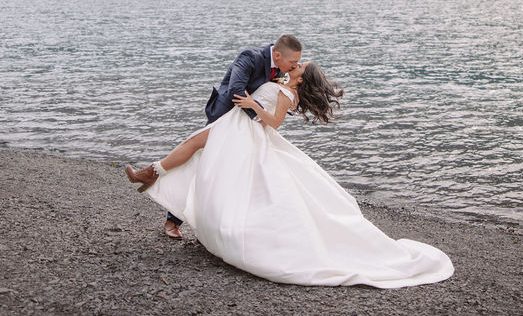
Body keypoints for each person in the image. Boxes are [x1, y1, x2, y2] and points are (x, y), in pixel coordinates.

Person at [124, 59, 455, 288]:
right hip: (237, 128)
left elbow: (275, 122)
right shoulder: (285, 85)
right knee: (197, 147)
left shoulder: (287, 92)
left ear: (300, 77)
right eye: (297, 63)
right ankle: (153, 174)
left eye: (299, 66)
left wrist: (252, 105)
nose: (296, 65)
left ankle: (155, 177)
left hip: (246, 130)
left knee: (208, 155)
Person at [126, 35, 303, 238]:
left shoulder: (282, 69)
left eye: (297, 63)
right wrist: (258, 117)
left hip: (246, 125)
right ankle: (170, 213)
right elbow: (236, 90)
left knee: (224, 172)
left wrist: (284, 102)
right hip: (226, 116)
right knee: (199, 162)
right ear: (278, 55)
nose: (294, 66)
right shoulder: (250, 57)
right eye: (292, 62)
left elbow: (273, 97)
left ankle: (218, 224)